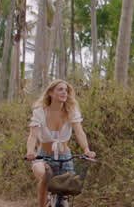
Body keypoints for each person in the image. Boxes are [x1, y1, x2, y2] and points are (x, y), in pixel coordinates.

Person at [26, 79, 96, 207]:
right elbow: (33, 135)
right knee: (45, 178)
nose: (64, 92)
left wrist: (86, 149)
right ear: (51, 93)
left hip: (65, 157)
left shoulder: (71, 111)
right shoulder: (40, 112)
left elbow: (79, 132)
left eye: (66, 90)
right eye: (60, 89)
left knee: (66, 192)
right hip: (43, 156)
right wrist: (30, 151)